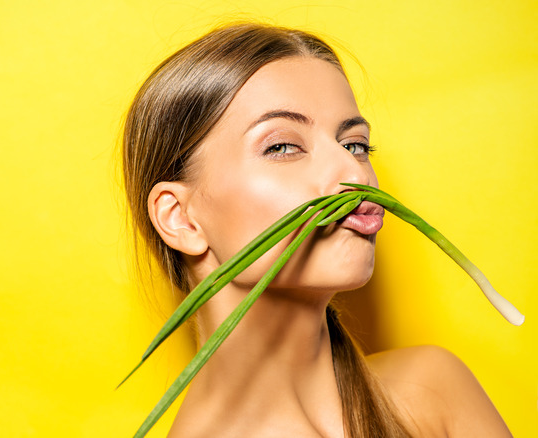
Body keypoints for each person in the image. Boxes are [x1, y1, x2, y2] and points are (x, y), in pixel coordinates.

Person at [121, 23, 511, 437]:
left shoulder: (434, 390)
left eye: (355, 145)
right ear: (180, 218)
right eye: (282, 146)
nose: (352, 171)